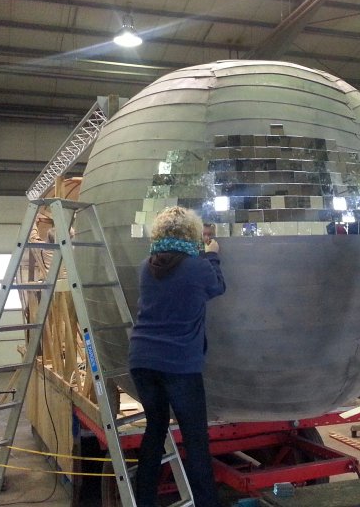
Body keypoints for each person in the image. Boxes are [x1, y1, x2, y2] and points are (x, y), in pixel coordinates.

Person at [128, 206, 226, 507]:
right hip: (179, 365)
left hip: (142, 360)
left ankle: (144, 501)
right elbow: (218, 287)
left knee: (155, 429)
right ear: (192, 233)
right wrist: (212, 254)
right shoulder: (197, 267)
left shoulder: (145, 266)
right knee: (195, 441)